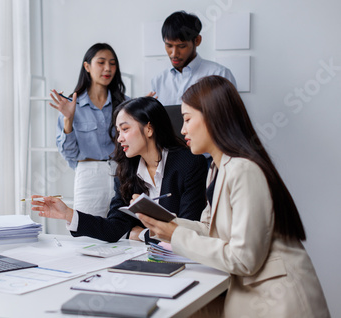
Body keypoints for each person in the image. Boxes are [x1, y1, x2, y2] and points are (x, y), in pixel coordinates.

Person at [138, 76, 330, 317]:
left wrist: (175, 235)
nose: (183, 129)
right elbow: (209, 228)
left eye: (187, 119)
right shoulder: (216, 169)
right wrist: (167, 224)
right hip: (250, 293)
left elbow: (244, 258)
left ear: (212, 117)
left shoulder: (243, 169)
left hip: (278, 299)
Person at [32, 97, 207, 243]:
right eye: (118, 131)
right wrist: (68, 214)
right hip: (144, 257)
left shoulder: (189, 163)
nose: (119, 138)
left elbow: (188, 229)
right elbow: (114, 228)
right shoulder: (126, 171)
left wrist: (140, 234)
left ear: (149, 128)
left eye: (125, 129)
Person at [50, 43, 127, 217]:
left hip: (122, 173)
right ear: (87, 66)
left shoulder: (125, 103)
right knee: (86, 234)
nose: (108, 68)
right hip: (89, 175)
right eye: (101, 62)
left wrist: (140, 113)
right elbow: (69, 153)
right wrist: (68, 119)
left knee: (124, 233)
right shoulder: (71, 105)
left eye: (112, 63)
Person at [149, 11, 236, 105]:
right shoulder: (158, 81)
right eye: (169, 46)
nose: (174, 54)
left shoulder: (220, 74)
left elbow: (230, 117)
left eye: (182, 46)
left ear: (197, 40)